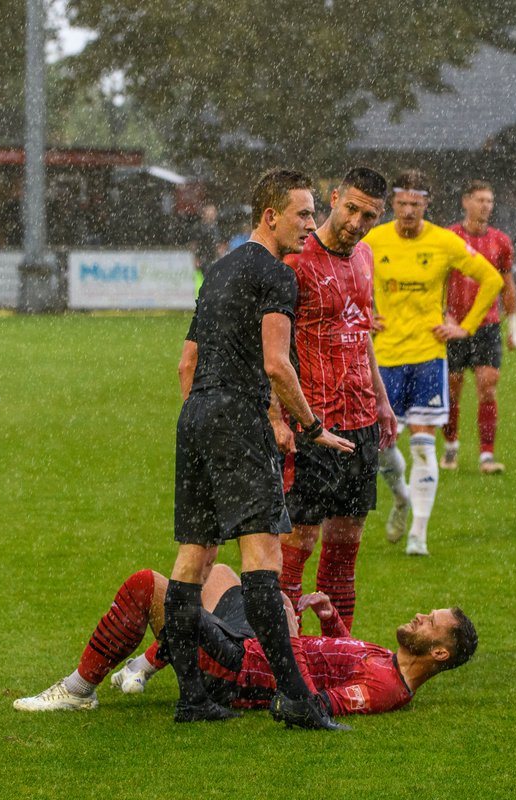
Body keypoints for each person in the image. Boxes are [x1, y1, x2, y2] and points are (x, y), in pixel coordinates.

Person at [169, 168, 355, 728]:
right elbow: (276, 364)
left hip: (195, 415)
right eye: (302, 213)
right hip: (235, 417)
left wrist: (203, 417)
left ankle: (191, 698)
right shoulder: (276, 274)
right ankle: (296, 699)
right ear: (270, 216)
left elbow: (186, 363)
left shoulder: (220, 267)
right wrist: (310, 425)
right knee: (263, 558)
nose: (310, 223)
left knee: (194, 557)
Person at [13, 564, 478, 719]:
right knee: (221, 575)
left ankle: (77, 691)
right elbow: (337, 658)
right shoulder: (386, 661)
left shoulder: (387, 688)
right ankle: (155, 657)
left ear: (439, 652)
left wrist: (286, 635)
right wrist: (329, 620)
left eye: (430, 622)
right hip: (254, 646)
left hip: (239, 668)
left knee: (147, 586)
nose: (420, 615)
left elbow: (309, 702)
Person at [276, 167, 399, 632]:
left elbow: (361, 331)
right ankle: (287, 655)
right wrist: (278, 418)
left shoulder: (366, 255)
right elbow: (271, 350)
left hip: (363, 417)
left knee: (346, 546)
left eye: (368, 215)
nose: (356, 222)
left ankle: (340, 650)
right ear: (333, 199)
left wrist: (383, 402)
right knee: (298, 543)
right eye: (350, 209)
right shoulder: (296, 258)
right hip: (314, 423)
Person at [362, 170, 503, 556]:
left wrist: (466, 327)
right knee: (381, 446)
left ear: (426, 205)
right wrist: (363, 314)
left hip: (428, 356)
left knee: (424, 445)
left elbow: (492, 279)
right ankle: (402, 498)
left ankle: (418, 534)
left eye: (416, 204)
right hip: (385, 358)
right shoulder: (373, 241)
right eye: (402, 203)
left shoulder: (443, 241)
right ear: (392, 205)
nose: (408, 211)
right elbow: (349, 279)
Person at [441, 180, 516, 475]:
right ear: (466, 202)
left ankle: (487, 456)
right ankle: (451, 446)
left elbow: (507, 286)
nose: (486, 205)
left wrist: (513, 327)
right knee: (452, 389)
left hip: (486, 326)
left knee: (487, 387)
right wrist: (441, 313)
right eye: (480, 200)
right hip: (453, 326)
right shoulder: (449, 237)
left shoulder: (500, 241)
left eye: (489, 200)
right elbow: (436, 278)